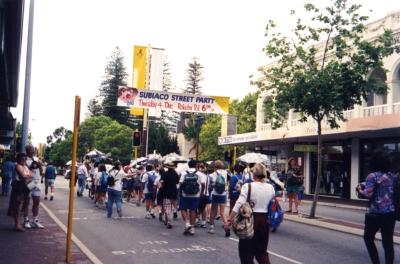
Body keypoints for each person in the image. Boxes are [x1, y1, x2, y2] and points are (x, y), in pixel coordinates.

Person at [230, 163, 275, 264]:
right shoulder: (270, 188)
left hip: (249, 219)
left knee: (246, 252)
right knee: (262, 252)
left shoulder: (248, 186)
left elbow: (239, 203)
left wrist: (230, 219)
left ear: (253, 174)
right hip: (264, 220)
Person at [357, 152, 397, 264]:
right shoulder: (392, 176)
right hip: (390, 214)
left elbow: (368, 194)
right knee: (388, 242)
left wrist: (359, 189)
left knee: (368, 238)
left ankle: (376, 262)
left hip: (375, 214)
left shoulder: (372, 176)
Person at [179, 159, 205, 235]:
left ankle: (187, 223)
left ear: (188, 165)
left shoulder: (184, 173)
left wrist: (180, 192)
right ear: (196, 165)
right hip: (195, 195)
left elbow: (180, 183)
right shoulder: (200, 174)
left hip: (185, 194)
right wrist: (201, 193)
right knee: (193, 210)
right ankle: (192, 228)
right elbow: (203, 184)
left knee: (183, 209)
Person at [7, 153, 32, 231]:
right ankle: (17, 224)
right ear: (18, 159)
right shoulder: (18, 166)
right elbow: (23, 176)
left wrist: (27, 176)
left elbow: (31, 176)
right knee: (17, 205)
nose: (24, 160)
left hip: (23, 188)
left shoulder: (25, 167)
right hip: (18, 188)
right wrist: (27, 176)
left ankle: (18, 224)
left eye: (25, 159)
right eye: (22, 158)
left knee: (22, 205)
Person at [22, 144, 44, 229]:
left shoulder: (36, 159)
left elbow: (41, 171)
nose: (32, 151)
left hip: (36, 182)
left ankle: (35, 220)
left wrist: (40, 166)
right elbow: (24, 171)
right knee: (26, 202)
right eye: (30, 150)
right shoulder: (24, 159)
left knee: (37, 202)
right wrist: (31, 166)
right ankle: (26, 220)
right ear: (27, 151)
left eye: (33, 149)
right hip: (28, 182)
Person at [209, 160, 230, 236]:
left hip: (215, 194)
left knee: (213, 210)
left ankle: (211, 228)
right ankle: (226, 225)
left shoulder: (211, 175)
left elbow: (210, 186)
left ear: (215, 166)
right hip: (223, 194)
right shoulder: (226, 173)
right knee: (222, 212)